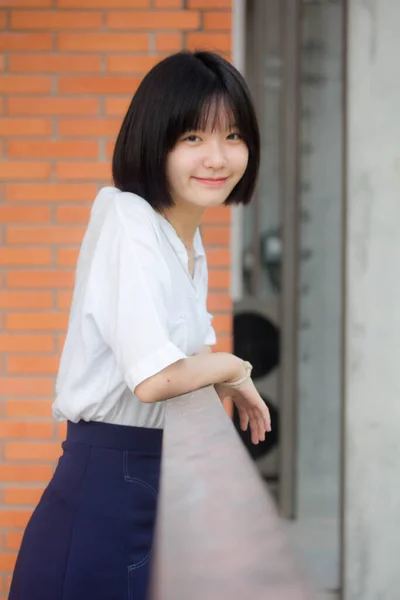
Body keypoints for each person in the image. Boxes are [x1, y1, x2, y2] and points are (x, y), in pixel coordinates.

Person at [9, 50, 271, 600]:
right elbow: (155, 378)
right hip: (107, 488)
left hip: (153, 484)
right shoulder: (128, 218)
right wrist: (233, 368)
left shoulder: (185, 241)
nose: (218, 158)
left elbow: (186, 357)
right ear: (156, 141)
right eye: (194, 138)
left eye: (234, 136)